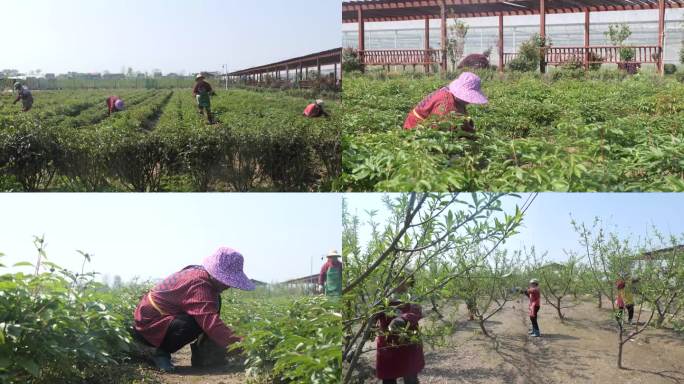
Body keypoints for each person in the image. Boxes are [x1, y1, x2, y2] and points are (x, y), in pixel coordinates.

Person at [132, 247, 255, 372]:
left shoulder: (199, 273)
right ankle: (159, 352)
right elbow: (212, 325)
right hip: (148, 327)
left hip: (155, 318)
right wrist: (245, 346)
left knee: (214, 302)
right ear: (216, 275)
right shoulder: (200, 285)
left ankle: (203, 353)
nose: (228, 286)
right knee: (195, 323)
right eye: (226, 280)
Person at [375, 275, 424, 384]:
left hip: (407, 341)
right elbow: (374, 315)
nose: (400, 282)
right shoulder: (383, 296)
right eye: (397, 278)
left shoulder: (412, 296)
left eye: (403, 279)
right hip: (387, 343)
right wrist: (370, 326)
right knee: (388, 378)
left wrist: (402, 319)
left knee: (410, 377)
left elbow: (417, 312)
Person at [403, 72, 488, 134]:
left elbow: (460, 115)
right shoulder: (446, 103)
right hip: (415, 131)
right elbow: (441, 128)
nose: (469, 101)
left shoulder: (453, 96)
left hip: (423, 126)